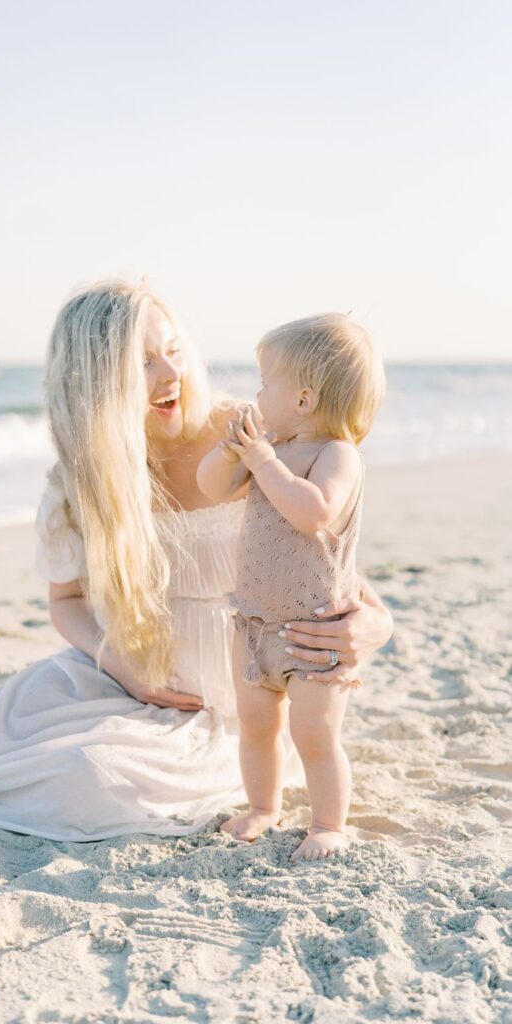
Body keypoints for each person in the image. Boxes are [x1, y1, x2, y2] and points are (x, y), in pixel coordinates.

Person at [0, 284, 392, 842]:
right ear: (96, 380)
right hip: (133, 680)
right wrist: (125, 669)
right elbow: (66, 602)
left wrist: (374, 627)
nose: (171, 375)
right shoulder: (80, 480)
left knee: (93, 780)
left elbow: (326, 562)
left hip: (248, 690)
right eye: (142, 361)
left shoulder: (254, 435)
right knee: (19, 746)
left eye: (173, 350)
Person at [197, 313, 385, 861]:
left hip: (315, 631)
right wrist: (235, 451)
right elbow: (213, 487)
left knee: (314, 735)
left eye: (264, 382)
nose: (255, 393)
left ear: (303, 399)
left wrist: (263, 460)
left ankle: (328, 823)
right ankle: (262, 806)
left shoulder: (337, 456)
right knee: (255, 725)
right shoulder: (271, 447)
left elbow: (314, 512)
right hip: (256, 623)